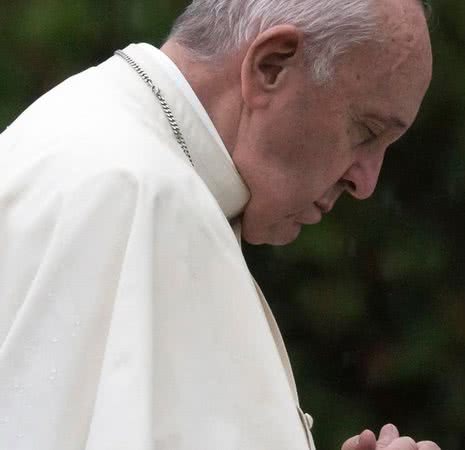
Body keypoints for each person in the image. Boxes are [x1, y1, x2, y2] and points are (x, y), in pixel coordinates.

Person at [0, 0, 437, 449]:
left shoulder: (91, 134)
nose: (365, 182)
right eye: (366, 131)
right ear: (271, 66)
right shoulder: (141, 195)